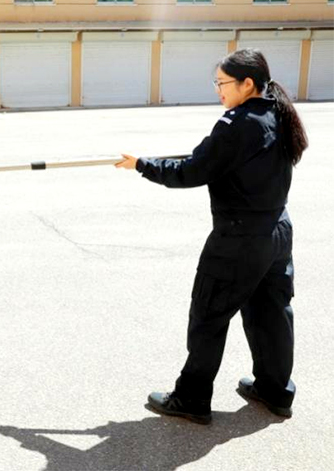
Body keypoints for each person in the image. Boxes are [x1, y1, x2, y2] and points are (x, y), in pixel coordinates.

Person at [116, 48, 307, 424]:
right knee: (271, 312)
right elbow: (219, 160)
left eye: (222, 83)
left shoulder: (237, 124)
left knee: (209, 314)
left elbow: (190, 171)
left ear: (246, 84)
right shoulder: (277, 113)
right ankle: (275, 389)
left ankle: (191, 397)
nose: (218, 89)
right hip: (276, 231)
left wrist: (142, 165)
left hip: (238, 239)